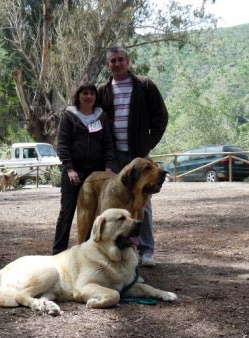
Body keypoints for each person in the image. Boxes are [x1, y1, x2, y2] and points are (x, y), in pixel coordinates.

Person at [98, 46, 169, 267]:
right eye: (112, 61)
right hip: (114, 156)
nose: (117, 64)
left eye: (120, 60)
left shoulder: (144, 85)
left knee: (143, 202)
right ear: (108, 65)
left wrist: (147, 144)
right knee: (113, 203)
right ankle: (118, 247)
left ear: (127, 62)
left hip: (137, 156)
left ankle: (146, 250)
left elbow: (161, 116)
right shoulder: (103, 91)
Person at [52, 83, 115, 255]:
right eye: (85, 93)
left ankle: (88, 251)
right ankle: (58, 252)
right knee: (67, 212)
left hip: (96, 173)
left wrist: (108, 168)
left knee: (94, 213)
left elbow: (108, 144)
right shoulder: (69, 115)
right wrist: (70, 169)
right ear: (78, 96)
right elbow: (62, 145)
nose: (89, 96)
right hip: (74, 172)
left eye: (92, 93)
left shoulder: (101, 117)